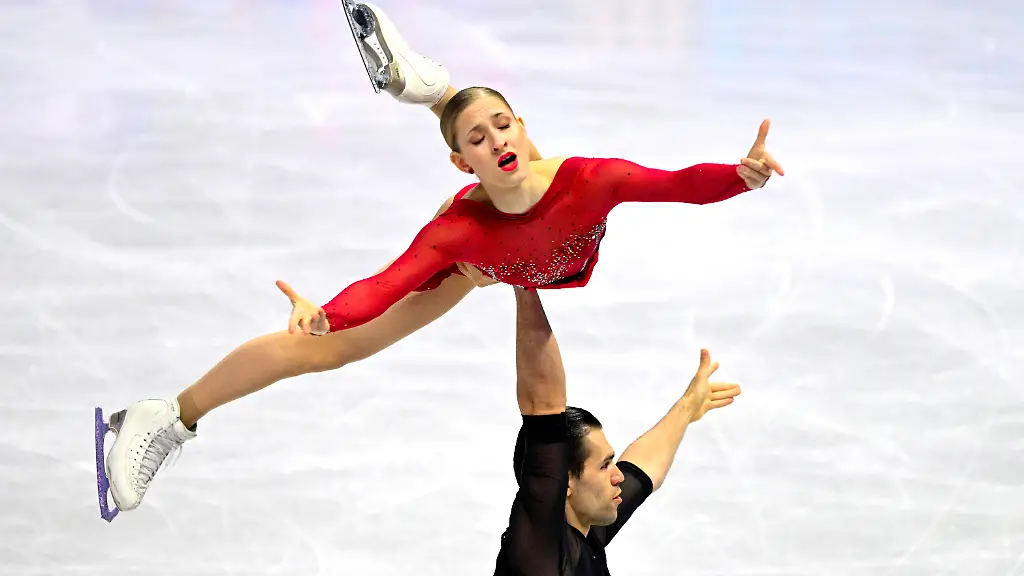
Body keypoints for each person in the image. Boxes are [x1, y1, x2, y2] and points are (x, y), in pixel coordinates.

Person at [95, 2, 777, 516]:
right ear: (460, 162)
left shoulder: (594, 180)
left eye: (504, 126)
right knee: (327, 352)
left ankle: (435, 88)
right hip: (483, 261)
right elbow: (387, 284)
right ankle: (167, 416)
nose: (496, 141)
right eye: (476, 140)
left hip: (519, 244)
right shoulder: (459, 233)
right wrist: (325, 316)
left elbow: (679, 184)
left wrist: (738, 174)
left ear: (523, 126)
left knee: (516, 180)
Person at [499, 286, 739, 575]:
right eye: (603, 466)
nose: (618, 476)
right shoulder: (541, 554)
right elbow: (543, 407)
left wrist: (688, 406)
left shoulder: (585, 529)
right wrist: (524, 286)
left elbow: (643, 468)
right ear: (563, 483)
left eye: (610, 461)